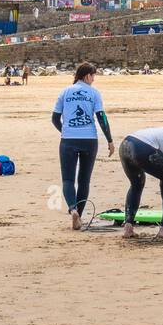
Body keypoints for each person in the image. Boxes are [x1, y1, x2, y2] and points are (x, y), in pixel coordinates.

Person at [52, 62, 115, 230]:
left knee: (67, 179)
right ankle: (79, 214)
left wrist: (65, 131)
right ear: (87, 76)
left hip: (68, 140)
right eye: (93, 76)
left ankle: (73, 209)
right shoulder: (94, 93)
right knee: (84, 180)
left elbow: (54, 118)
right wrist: (109, 140)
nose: (94, 79)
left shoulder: (64, 92)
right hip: (89, 140)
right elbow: (101, 117)